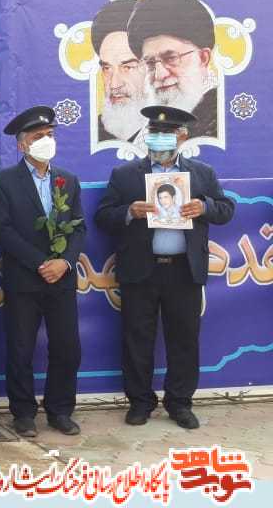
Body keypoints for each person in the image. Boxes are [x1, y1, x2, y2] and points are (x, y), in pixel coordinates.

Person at [95, 105, 234, 429]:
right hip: (141, 270)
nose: (158, 138)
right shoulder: (125, 175)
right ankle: (140, 402)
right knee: (137, 339)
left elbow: (227, 209)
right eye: (154, 132)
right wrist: (129, 212)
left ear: (182, 136)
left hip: (184, 270)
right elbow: (102, 216)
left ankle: (180, 403)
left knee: (184, 339)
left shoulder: (202, 173)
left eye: (166, 132)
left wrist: (204, 207)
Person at [0, 106, 85, 438]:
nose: (46, 140)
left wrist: (64, 262)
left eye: (49, 135)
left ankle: (60, 410)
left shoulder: (68, 180)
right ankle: (23, 413)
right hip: (24, 279)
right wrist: (40, 263)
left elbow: (78, 228)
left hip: (62, 278)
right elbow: (3, 230)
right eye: (37, 136)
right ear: (22, 145)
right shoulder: (4, 181)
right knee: (21, 349)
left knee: (67, 348)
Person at [127, 0, 218, 140]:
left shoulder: (221, 120)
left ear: (203, 58)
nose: (159, 75)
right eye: (150, 63)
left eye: (171, 58)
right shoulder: (136, 140)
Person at [92, 0, 149, 145]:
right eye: (107, 68)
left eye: (127, 67)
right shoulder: (93, 131)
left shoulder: (180, 129)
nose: (114, 84)